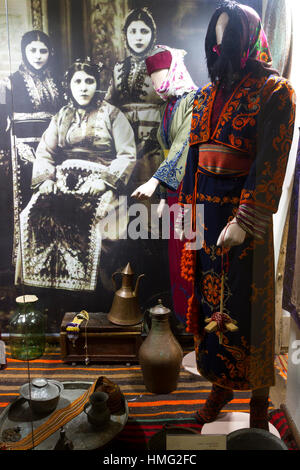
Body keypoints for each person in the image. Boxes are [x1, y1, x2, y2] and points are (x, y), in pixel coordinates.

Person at [175, 1, 295, 429]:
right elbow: (192, 159)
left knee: (249, 308)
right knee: (211, 306)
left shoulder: (274, 91)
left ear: (248, 38)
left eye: (230, 35)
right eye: (216, 34)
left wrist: (244, 222)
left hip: (244, 221)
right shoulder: (204, 94)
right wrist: (189, 220)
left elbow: (270, 162)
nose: (220, 44)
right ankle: (220, 387)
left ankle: (259, 400)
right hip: (206, 216)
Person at [16, 58, 136, 292]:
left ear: (97, 84)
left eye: (89, 81)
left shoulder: (112, 115)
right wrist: (46, 181)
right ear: (69, 85)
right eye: (77, 81)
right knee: (31, 216)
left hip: (100, 186)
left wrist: (105, 182)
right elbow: (44, 153)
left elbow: (127, 155)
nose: (83, 87)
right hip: (63, 184)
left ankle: (95, 298)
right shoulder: (62, 115)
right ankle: (50, 294)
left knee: (97, 227)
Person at [131, 45, 197, 324]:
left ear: (173, 72)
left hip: (191, 186)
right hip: (173, 189)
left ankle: (195, 324)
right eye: (153, 77)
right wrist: (162, 195)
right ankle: (183, 321)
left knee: (189, 255)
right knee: (174, 256)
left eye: (160, 75)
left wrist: (156, 180)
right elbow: (165, 150)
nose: (157, 83)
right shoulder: (170, 104)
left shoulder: (195, 100)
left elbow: (184, 146)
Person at [0, 30, 62, 266]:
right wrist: (11, 153)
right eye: (32, 50)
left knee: (52, 208)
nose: (38, 56)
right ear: (24, 52)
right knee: (26, 207)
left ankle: (50, 265)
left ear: (50, 53)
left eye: (43, 51)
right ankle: (24, 267)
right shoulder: (8, 83)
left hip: (53, 154)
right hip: (22, 156)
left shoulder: (57, 83)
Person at [105, 7, 164, 188]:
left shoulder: (163, 65)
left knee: (150, 197)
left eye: (144, 31)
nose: (138, 37)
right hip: (123, 145)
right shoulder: (118, 68)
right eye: (133, 31)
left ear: (152, 34)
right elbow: (108, 104)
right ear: (126, 36)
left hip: (154, 143)